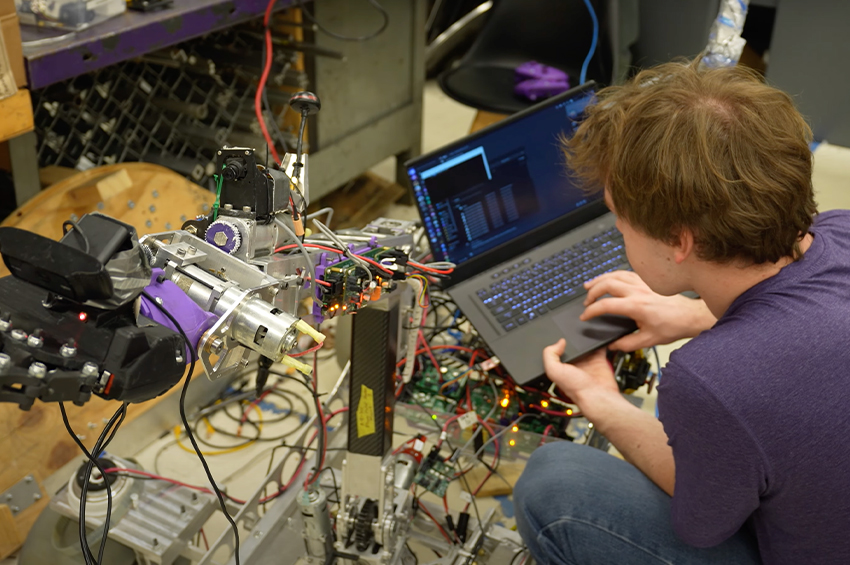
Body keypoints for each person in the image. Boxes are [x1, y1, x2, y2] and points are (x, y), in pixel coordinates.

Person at [513, 58, 850, 565]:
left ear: (678, 241)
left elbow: (705, 525)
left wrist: (601, 400)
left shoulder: (710, 380)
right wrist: (695, 315)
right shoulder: (841, 229)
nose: (617, 233)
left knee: (555, 481)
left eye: (619, 220)